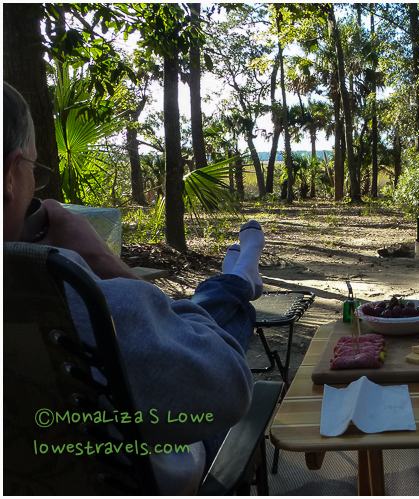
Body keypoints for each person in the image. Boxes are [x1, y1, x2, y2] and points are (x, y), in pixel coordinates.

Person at [3, 81, 265, 494]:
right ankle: (238, 278)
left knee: (188, 318)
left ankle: (235, 278)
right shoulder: (77, 303)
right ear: (9, 178)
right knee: (207, 320)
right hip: (135, 476)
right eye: (34, 171)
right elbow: (229, 386)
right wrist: (101, 260)